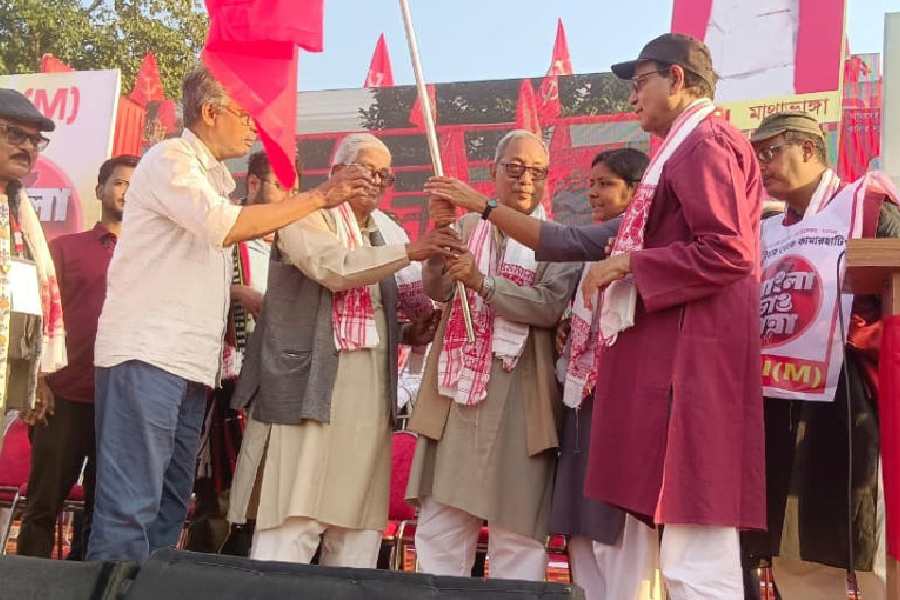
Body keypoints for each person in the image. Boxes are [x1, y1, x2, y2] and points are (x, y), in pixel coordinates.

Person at [87, 65, 375, 562]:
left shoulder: (211, 179)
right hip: (148, 355)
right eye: (245, 114)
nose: (252, 126)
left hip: (191, 365)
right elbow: (223, 227)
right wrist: (321, 197)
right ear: (209, 112)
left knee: (171, 503)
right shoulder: (170, 159)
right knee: (130, 505)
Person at [233, 133, 460, 567]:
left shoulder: (380, 235)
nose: (377, 182)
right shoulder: (302, 216)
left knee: (356, 528)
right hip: (309, 392)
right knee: (294, 520)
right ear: (336, 173)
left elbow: (386, 306)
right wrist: (412, 249)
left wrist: (411, 333)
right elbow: (334, 269)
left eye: (384, 175)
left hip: (368, 403)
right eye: (367, 170)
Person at [406, 129, 582, 582]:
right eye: (515, 169)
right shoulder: (468, 228)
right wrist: (441, 235)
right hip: (456, 402)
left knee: (519, 541)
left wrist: (483, 283)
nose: (526, 180)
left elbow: (547, 306)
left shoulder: (558, 241)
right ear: (494, 172)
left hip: (522, 406)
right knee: (441, 534)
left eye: (537, 172)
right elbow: (439, 289)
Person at [742, 112, 900, 600]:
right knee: (790, 544)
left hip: (850, 396)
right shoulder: (765, 230)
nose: (760, 166)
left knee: (858, 538)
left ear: (810, 149)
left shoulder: (866, 205)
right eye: (755, 156)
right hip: (775, 400)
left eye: (770, 152)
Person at [16, 155, 138, 560]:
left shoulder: (151, 257)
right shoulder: (65, 249)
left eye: (135, 185)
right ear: (100, 189)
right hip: (64, 396)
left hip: (121, 400)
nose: (126, 192)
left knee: (105, 511)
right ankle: (27, 585)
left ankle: (84, 584)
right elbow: (37, 314)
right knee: (42, 506)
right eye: (119, 183)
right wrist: (39, 381)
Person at [551, 148, 660, 600]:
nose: (593, 192)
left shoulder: (647, 246)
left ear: (634, 192)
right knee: (582, 531)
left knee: (624, 542)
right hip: (582, 401)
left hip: (626, 407)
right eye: (591, 184)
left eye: (606, 184)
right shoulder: (593, 250)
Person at [187, 150, 300, 554]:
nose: (291, 194)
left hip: (279, 384)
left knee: (269, 495)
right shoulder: (221, 232)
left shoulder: (295, 241)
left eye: (295, 185)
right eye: (281, 184)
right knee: (218, 494)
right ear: (252, 184)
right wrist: (236, 292)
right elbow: (186, 288)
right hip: (224, 385)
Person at [0, 88, 66, 447]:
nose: (27, 147)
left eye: (35, 140)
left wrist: (34, 377)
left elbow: (24, 295)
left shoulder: (19, 211)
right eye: (14, 134)